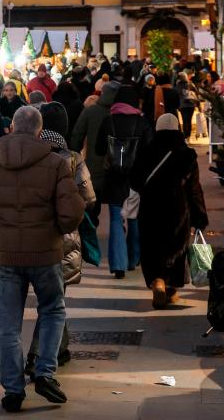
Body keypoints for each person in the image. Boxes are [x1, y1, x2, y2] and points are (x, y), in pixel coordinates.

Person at [0, 106, 84, 413]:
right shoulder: (55, 163)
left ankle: (13, 390)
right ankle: (45, 372)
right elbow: (72, 213)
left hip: (4, 255)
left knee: (8, 324)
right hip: (45, 253)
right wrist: (54, 229)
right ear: (39, 131)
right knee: (52, 310)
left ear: (12, 127)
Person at [25, 102, 95, 377]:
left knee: (52, 298)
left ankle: (60, 348)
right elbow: (89, 197)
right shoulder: (73, 158)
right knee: (54, 298)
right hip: (62, 236)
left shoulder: (29, 154)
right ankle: (36, 354)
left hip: (30, 233)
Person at [130, 114, 208, 309]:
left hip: (150, 208)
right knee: (175, 248)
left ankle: (157, 281)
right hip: (178, 210)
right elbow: (194, 190)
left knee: (152, 247)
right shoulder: (187, 155)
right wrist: (199, 216)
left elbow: (135, 181)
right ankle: (171, 288)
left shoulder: (145, 152)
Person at [95, 85, 153, 278]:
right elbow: (149, 150)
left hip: (114, 177)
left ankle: (118, 264)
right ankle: (133, 259)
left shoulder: (108, 121)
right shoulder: (142, 122)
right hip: (135, 179)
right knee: (134, 218)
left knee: (115, 220)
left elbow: (99, 149)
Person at [69, 82, 120, 234]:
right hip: (118, 166)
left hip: (94, 165)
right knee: (117, 210)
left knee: (93, 204)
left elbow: (77, 135)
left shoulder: (91, 111)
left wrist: (75, 157)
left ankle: (92, 233)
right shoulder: (122, 113)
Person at [175, 72, 197, 139]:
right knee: (189, 120)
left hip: (183, 105)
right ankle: (188, 135)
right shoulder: (190, 84)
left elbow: (176, 94)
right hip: (191, 104)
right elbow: (196, 92)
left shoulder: (178, 85)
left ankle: (186, 135)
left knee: (184, 120)